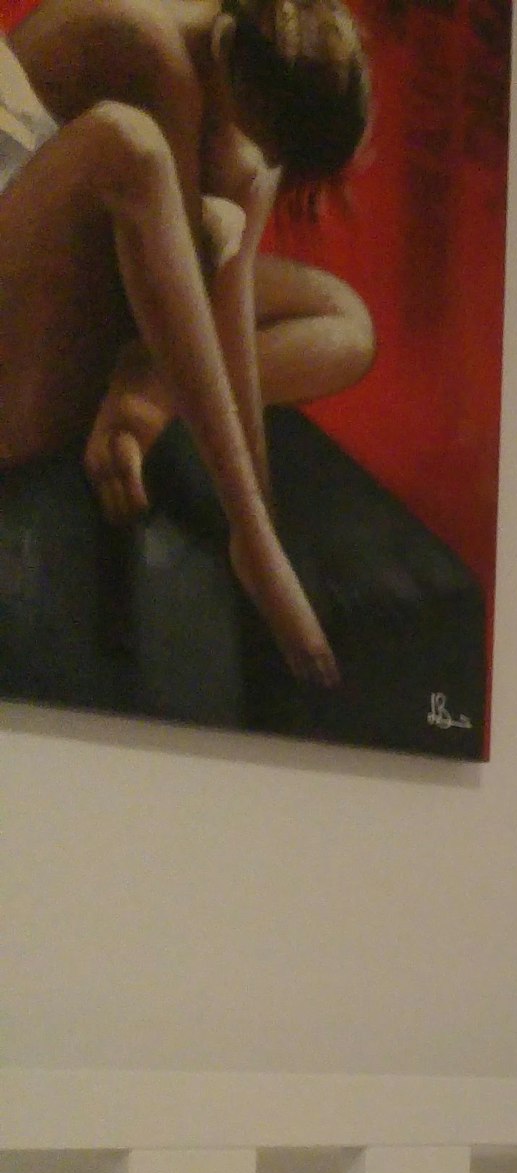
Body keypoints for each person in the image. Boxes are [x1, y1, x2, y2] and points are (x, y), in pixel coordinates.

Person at [0, 0, 376, 687]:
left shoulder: (237, 59)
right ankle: (141, 392)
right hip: (15, 344)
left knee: (345, 322)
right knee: (130, 143)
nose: (261, 165)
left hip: (107, 301)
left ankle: (142, 395)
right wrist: (254, 544)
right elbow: (189, 300)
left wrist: (259, 517)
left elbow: (220, 309)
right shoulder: (151, 50)